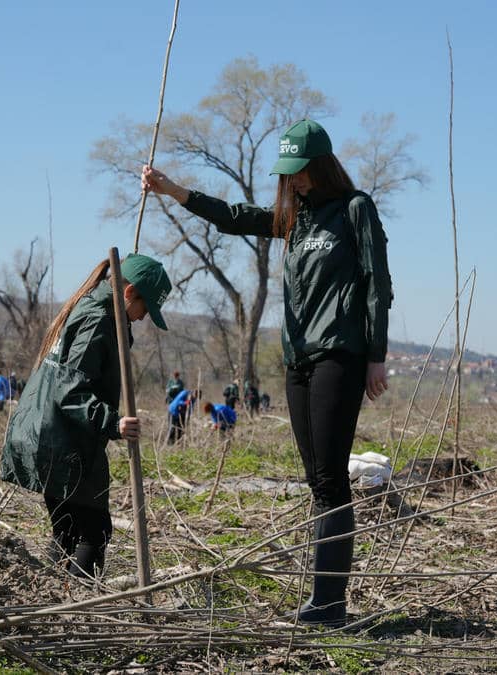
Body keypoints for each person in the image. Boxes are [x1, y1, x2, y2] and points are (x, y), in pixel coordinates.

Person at [143, 118, 392, 626]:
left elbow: (376, 284)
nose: (294, 181)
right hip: (297, 362)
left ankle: (329, 606)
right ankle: (324, 600)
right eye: (288, 174)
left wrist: (376, 355)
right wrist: (173, 190)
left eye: (300, 172)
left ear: (321, 165)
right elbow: (235, 217)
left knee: (330, 480)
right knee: (315, 479)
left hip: (339, 355)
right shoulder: (295, 219)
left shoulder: (355, 209)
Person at [0, 254, 171, 577]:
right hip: (60, 438)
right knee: (94, 531)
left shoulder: (97, 307)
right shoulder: (98, 320)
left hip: (49, 432)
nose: (143, 318)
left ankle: (48, 596)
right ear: (129, 293)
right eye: (145, 308)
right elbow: (70, 390)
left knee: (66, 531)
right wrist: (113, 422)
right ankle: (77, 608)